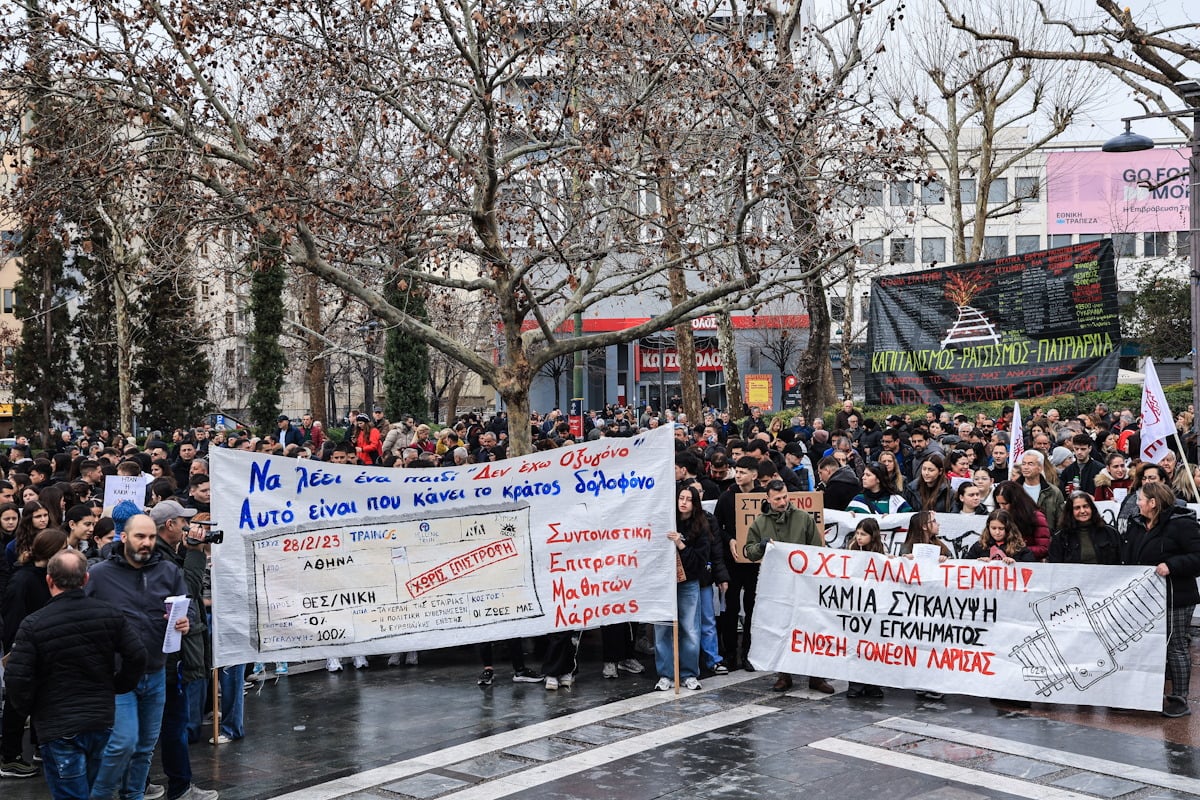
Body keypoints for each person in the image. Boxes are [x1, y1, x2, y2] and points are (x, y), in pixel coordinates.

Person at [85, 514, 217, 800]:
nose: (146, 543)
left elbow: (190, 609)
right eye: (139, 537)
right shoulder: (100, 575)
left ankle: (133, 795)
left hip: (157, 671)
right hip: (119, 675)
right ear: (124, 538)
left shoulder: (167, 571)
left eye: (150, 537)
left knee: (145, 746)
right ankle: (100, 795)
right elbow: (80, 614)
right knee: (124, 742)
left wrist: (185, 622)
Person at [4, 549, 147, 799]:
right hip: (99, 719)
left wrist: (32, 708)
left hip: (57, 725)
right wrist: (117, 685)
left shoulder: (33, 624)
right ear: (85, 579)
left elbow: (16, 678)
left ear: (49, 581)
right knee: (91, 788)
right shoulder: (109, 615)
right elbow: (137, 655)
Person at [743, 480, 833, 694]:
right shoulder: (759, 523)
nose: (782, 502)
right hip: (777, 587)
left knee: (811, 627)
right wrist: (761, 547)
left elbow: (817, 549)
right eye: (777, 499)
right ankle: (784, 675)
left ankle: (816, 676)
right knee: (781, 628)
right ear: (768, 499)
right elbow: (749, 551)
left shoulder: (803, 518)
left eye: (784, 497)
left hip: (804, 585)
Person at [1121, 481, 1200, 718]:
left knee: (1175, 645)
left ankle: (1179, 698)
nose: (1137, 504)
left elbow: (1198, 557)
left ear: (1153, 503)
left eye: (1141, 500)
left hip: (1176, 595)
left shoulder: (1182, 525)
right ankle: (1144, 692)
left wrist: (1172, 565)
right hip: (1145, 597)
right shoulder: (1137, 525)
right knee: (1146, 644)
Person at [1, 528, 69, 778]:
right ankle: (10, 757)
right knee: (18, 705)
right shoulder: (24, 580)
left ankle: (41, 745)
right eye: (63, 548)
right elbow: (13, 620)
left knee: (43, 700)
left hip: (45, 650)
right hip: (27, 652)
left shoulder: (46, 575)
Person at [653, 484, 710, 691]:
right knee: (662, 630)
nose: (683, 502)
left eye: (688, 499)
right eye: (681, 498)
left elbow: (698, 562)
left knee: (690, 629)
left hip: (688, 583)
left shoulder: (701, 528)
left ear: (695, 504)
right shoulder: (667, 521)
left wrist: (681, 544)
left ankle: (688, 673)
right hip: (663, 584)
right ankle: (666, 674)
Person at [844, 519, 886, 699]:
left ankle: (872, 685)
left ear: (873, 536)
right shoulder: (851, 549)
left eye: (863, 534)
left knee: (874, 647)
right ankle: (855, 685)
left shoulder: (881, 552)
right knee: (856, 646)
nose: (859, 538)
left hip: (875, 606)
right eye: (857, 533)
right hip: (856, 605)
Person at [1049, 492, 1120, 565]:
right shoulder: (1060, 537)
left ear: (1092, 508)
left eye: (1085, 506)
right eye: (1077, 508)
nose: (1082, 511)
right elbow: (1055, 568)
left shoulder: (1110, 532)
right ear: (1070, 511)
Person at [993, 481, 1051, 561]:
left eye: (1005, 504)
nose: (1001, 507)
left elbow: (1043, 548)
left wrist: (1016, 551)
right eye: (998, 504)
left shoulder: (1036, 517)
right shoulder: (999, 517)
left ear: (1015, 502)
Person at [966, 510, 1035, 564]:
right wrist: (978, 564)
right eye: (993, 528)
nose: (997, 532)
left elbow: (1031, 569)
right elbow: (966, 567)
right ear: (988, 527)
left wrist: (1015, 564)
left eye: (1001, 528)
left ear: (1008, 528)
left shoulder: (1019, 548)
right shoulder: (979, 546)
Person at [846, 463, 912, 515]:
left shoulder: (896, 500)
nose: (863, 478)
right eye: (864, 474)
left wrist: (893, 519)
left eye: (868, 475)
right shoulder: (858, 500)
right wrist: (848, 516)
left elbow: (910, 519)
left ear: (878, 479)